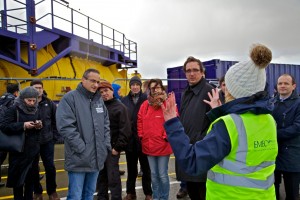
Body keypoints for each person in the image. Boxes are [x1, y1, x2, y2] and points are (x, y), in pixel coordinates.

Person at [162, 44, 278, 199]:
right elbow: (239, 147)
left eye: (228, 85)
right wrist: (220, 112)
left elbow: (193, 161)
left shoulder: (228, 124)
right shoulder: (269, 120)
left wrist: (171, 122)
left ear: (233, 90)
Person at [56, 68, 111, 200]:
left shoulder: (99, 100)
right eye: (92, 81)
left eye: (98, 82)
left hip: (97, 157)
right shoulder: (70, 98)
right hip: (78, 157)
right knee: (75, 195)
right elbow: (65, 126)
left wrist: (105, 145)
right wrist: (81, 147)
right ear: (83, 80)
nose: (96, 85)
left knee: (89, 194)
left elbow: (106, 125)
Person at [176, 56, 214, 200]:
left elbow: (217, 123)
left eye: (195, 70)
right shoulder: (186, 92)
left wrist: (200, 140)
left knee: (202, 193)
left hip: (200, 152)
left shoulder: (210, 91)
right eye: (188, 71)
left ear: (202, 72)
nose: (192, 74)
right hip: (188, 150)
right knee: (192, 191)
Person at [0, 86, 43, 199]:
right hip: (18, 151)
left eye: (34, 100)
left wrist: (39, 125)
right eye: (29, 100)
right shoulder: (13, 109)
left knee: (30, 182)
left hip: (33, 151)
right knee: (18, 182)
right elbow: (4, 126)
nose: (31, 103)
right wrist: (23, 125)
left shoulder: (36, 109)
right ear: (22, 98)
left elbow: (40, 124)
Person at [138, 78, 176, 200]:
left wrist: (165, 137)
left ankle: (164, 197)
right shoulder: (145, 105)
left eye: (158, 87)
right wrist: (141, 135)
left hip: (163, 145)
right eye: (153, 87)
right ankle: (156, 197)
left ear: (162, 88)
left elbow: (173, 120)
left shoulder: (167, 103)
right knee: (153, 175)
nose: (155, 90)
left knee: (162, 174)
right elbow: (140, 120)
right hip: (149, 144)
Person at [97, 81, 131, 200]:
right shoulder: (98, 107)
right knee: (100, 177)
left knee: (113, 178)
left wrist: (117, 148)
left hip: (112, 148)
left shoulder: (120, 108)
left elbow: (125, 130)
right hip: (100, 148)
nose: (104, 94)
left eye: (106, 91)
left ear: (112, 91)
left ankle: (116, 198)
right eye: (101, 92)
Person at [121, 76, 152, 200]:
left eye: (137, 85)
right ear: (130, 86)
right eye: (132, 85)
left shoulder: (146, 99)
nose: (135, 87)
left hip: (143, 139)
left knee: (146, 169)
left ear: (140, 86)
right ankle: (130, 192)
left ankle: (148, 193)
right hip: (130, 140)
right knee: (131, 169)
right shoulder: (124, 100)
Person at [30, 80, 59, 200]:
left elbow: (55, 121)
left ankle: (52, 191)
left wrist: (54, 137)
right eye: (35, 88)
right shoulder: (27, 103)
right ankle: (37, 191)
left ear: (43, 89)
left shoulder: (49, 103)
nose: (38, 90)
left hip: (47, 141)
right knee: (33, 168)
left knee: (50, 167)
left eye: (40, 88)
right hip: (32, 141)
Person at [272, 74, 300, 200]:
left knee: (292, 193)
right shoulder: (271, 103)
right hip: (273, 154)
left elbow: (297, 127)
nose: (282, 86)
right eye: (280, 83)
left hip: (292, 156)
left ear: (293, 86)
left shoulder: (298, 104)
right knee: (273, 191)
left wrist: (273, 135)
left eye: (286, 83)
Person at [0, 83, 19, 187]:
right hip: (8, 132)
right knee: (15, 157)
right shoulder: (14, 101)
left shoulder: (1, 99)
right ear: (16, 92)